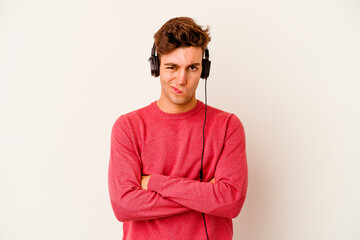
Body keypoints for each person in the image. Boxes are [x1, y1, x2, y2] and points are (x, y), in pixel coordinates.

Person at [108, 17, 248, 240]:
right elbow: (124, 206)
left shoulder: (227, 126)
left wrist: (153, 182)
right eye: (172, 67)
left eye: (192, 67)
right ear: (156, 67)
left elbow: (230, 201)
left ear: (204, 70)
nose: (181, 79)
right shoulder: (128, 127)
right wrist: (205, 193)